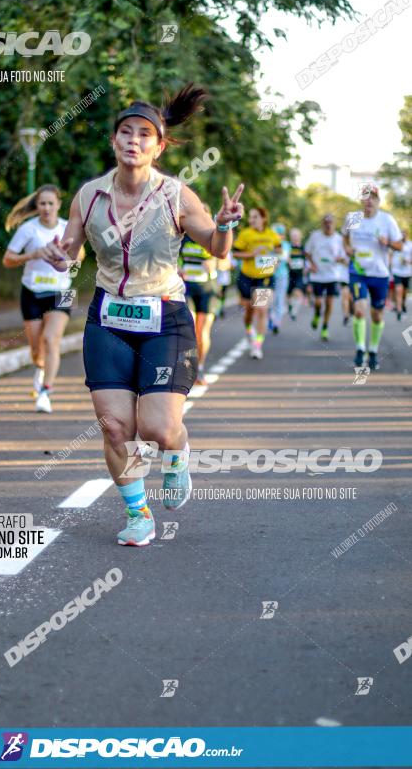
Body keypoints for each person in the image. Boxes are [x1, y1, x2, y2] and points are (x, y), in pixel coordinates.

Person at [40, 84, 244, 546]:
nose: (134, 140)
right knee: (116, 427)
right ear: (114, 142)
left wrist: (227, 225)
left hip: (165, 317)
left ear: (159, 146)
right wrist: (60, 257)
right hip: (108, 318)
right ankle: (138, 515)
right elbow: (71, 252)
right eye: (126, 133)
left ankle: (178, 452)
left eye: (144, 135)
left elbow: (215, 246)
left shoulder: (177, 196)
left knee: (156, 428)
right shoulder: (88, 197)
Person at [2, 184, 84, 413]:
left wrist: (69, 257)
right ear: (37, 206)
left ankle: (46, 391)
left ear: (58, 204)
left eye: (51, 203)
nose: (47, 208)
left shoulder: (68, 228)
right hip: (32, 291)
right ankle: (41, 367)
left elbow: (81, 255)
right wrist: (34, 254)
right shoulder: (28, 230)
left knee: (51, 340)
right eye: (42, 204)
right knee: (37, 350)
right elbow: (8, 260)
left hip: (63, 292)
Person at [342, 185, 402, 369]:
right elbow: (344, 236)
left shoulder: (387, 220)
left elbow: (399, 245)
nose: (369, 200)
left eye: (373, 197)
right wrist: (347, 248)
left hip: (380, 274)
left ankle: (373, 350)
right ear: (361, 199)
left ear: (378, 201)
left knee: (377, 315)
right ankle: (360, 350)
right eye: (365, 196)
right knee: (360, 309)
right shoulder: (352, 218)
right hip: (358, 272)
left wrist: (388, 243)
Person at [178, 203, 220, 384]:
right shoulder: (183, 238)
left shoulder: (215, 238)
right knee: (190, 329)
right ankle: (188, 369)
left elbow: (227, 262)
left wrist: (216, 265)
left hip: (208, 289)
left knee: (202, 332)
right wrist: (178, 268)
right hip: (187, 287)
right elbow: (171, 258)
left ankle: (200, 368)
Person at [233, 207, 282, 359]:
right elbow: (235, 253)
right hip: (247, 276)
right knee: (249, 311)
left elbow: (280, 251)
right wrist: (251, 254)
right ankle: (249, 329)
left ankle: (257, 345)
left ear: (263, 218)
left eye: (255, 217)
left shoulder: (272, 235)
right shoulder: (245, 234)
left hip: (265, 277)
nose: (251, 220)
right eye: (251, 217)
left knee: (262, 310)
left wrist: (275, 260)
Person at [304, 214, 348, 342]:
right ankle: (317, 314)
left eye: (330, 223)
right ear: (322, 224)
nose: (328, 225)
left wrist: (340, 259)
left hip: (332, 275)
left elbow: (344, 257)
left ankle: (325, 327)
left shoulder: (339, 239)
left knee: (329, 303)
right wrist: (311, 264)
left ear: (334, 224)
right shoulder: (315, 236)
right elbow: (307, 252)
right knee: (318, 302)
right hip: (317, 275)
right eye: (325, 223)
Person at [270, 223, 290, 334]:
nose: (278, 236)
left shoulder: (286, 245)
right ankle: (269, 318)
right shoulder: (269, 244)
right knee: (268, 301)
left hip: (282, 276)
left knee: (279, 299)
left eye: (280, 234)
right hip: (268, 276)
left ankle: (276, 323)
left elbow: (283, 257)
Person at [392, 230, 412, 320]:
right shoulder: (394, 245)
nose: (403, 236)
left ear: (406, 235)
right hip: (396, 272)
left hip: (407, 272)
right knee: (398, 290)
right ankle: (399, 310)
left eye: (404, 234)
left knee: (404, 292)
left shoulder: (410, 245)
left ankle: (403, 304)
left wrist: (408, 261)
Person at [287, 228, 307, 321]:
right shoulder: (288, 247)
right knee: (289, 295)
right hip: (288, 274)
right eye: (293, 236)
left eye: (296, 236)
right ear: (290, 237)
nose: (295, 238)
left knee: (298, 292)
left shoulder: (303, 248)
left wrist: (306, 268)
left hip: (299, 274)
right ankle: (290, 306)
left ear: (300, 237)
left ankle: (294, 311)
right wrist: (288, 261)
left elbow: (306, 259)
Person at [216, 253, 232, 318]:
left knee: (222, 296)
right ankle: (216, 311)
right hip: (216, 279)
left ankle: (220, 310)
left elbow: (232, 265)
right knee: (216, 295)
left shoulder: (228, 253)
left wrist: (226, 266)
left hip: (225, 280)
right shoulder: (213, 251)